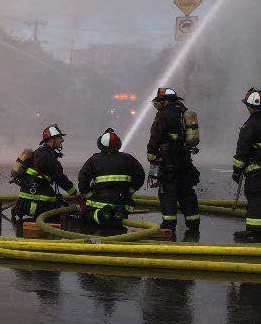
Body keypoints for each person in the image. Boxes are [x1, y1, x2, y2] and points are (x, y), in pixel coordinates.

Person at [147, 87, 200, 234]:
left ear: (165, 101)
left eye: (159, 102)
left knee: (167, 194)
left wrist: (151, 156)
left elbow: (155, 139)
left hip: (168, 164)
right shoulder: (184, 113)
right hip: (185, 163)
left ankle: (168, 226)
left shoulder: (162, 116)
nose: (157, 105)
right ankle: (193, 224)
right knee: (187, 193)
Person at [77, 128, 145, 228]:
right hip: (121, 201)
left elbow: (82, 179)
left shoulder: (93, 160)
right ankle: (119, 213)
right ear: (118, 144)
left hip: (99, 202)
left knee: (85, 215)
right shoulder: (128, 159)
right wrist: (129, 192)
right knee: (119, 223)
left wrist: (89, 195)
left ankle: (101, 215)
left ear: (100, 145)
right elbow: (140, 176)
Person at [14, 124, 83, 221]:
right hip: (38, 200)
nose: (62, 140)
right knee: (64, 210)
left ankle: (20, 209)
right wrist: (75, 193)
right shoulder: (48, 158)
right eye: (59, 138)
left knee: (59, 201)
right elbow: (60, 179)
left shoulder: (40, 152)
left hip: (26, 199)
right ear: (52, 140)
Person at [232, 87, 261, 242]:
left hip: (256, 172)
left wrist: (237, 170)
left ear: (251, 106)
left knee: (256, 200)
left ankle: (254, 233)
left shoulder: (250, 125)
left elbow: (242, 151)